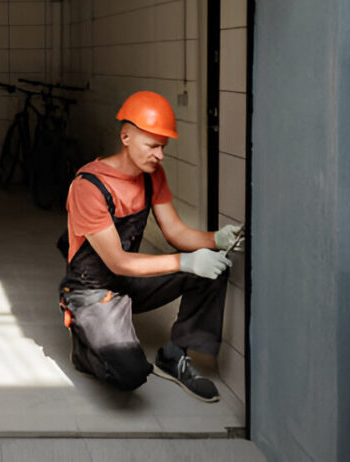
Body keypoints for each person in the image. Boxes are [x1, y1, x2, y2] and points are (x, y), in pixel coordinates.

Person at [59, 90, 243, 400]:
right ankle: (85, 343)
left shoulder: (152, 175)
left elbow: (175, 232)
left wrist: (216, 239)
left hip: (129, 280)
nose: (160, 155)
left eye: (163, 147)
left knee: (213, 266)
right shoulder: (88, 187)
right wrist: (184, 262)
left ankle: (174, 354)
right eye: (153, 146)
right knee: (129, 373)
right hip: (91, 289)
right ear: (126, 136)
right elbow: (118, 261)